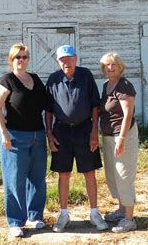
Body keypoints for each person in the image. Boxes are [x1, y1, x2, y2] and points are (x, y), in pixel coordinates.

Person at [45, 44, 108, 233]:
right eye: (62, 59)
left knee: (89, 172)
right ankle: (63, 215)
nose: (66, 62)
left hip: (84, 130)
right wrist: (49, 133)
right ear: (58, 62)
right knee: (63, 173)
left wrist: (94, 133)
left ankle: (95, 213)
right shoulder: (53, 80)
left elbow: (95, 106)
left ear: (76, 59)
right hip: (61, 132)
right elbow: (48, 109)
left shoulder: (85, 75)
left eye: (69, 58)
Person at [0, 43, 48, 238]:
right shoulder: (7, 80)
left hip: (38, 136)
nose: (22, 60)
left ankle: (35, 216)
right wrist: (4, 133)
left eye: (24, 57)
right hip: (15, 137)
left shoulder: (35, 78)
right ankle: (15, 222)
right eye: (18, 57)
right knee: (15, 180)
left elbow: (46, 104)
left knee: (38, 178)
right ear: (11, 60)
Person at [99, 51, 139, 233]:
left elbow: (128, 114)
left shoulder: (124, 85)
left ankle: (129, 219)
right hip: (108, 136)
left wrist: (121, 139)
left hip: (123, 136)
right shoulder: (106, 85)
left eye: (113, 64)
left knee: (124, 175)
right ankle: (122, 210)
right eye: (107, 65)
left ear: (120, 66)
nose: (110, 68)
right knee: (113, 175)